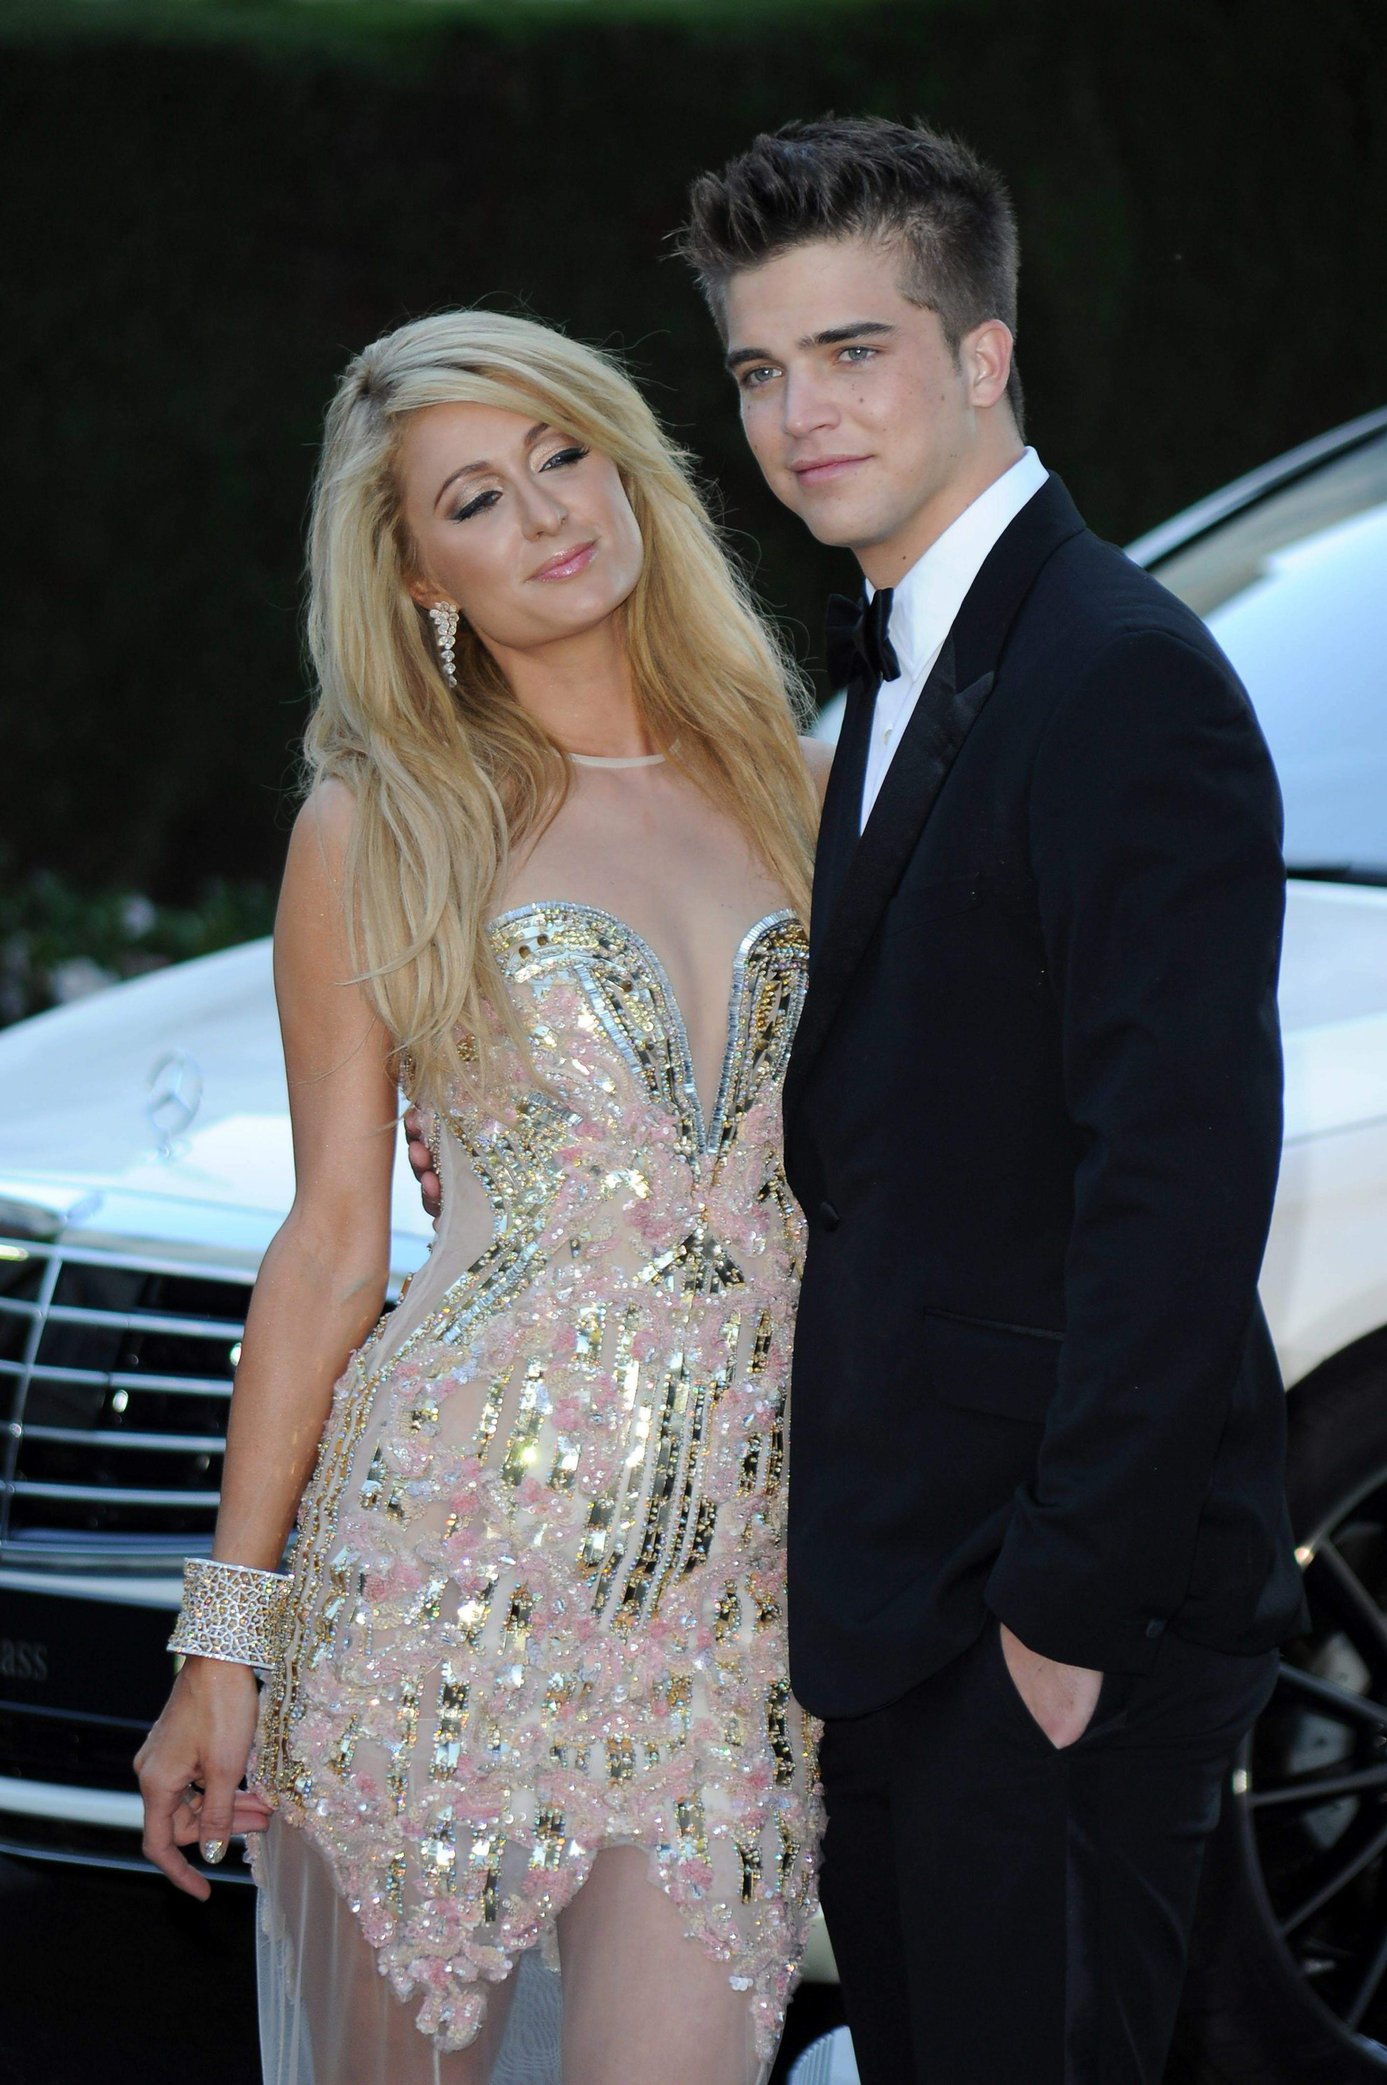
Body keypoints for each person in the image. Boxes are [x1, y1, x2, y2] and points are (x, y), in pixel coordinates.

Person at [671, 116, 1308, 2083]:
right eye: (760, 370)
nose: (798, 416)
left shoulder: (1119, 676)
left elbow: (1178, 1182)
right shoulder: (900, 661)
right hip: (912, 1588)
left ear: (983, 354)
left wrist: (1059, 1615)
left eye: (851, 352)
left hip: (1036, 1612)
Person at [135, 308, 830, 2085]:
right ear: (415, 572)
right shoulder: (382, 826)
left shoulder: (806, 783)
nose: (546, 514)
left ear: (627, 464)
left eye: (562, 455)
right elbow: (331, 1245)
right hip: (441, 1587)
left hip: (727, 1613)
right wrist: (226, 1640)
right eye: (476, 498)